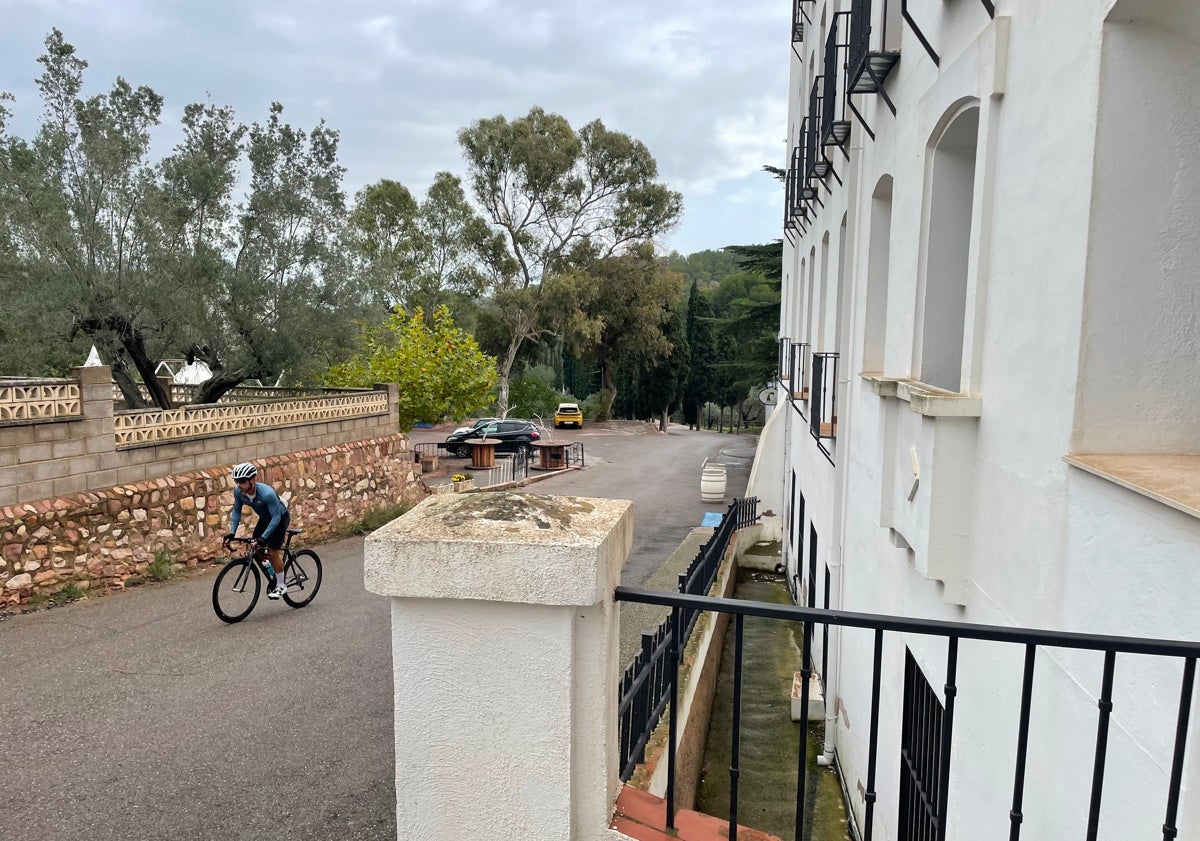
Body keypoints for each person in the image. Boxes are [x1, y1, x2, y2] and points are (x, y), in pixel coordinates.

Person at [224, 462, 290, 599]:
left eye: (242, 481)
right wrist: (232, 532)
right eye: (237, 482)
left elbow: (276, 518)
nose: (239, 485)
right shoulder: (239, 492)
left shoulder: (267, 494)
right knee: (255, 547)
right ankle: (273, 572)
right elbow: (236, 511)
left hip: (279, 517)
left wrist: (264, 538)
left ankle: (282, 585)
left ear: (252, 480)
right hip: (265, 518)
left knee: (272, 552)